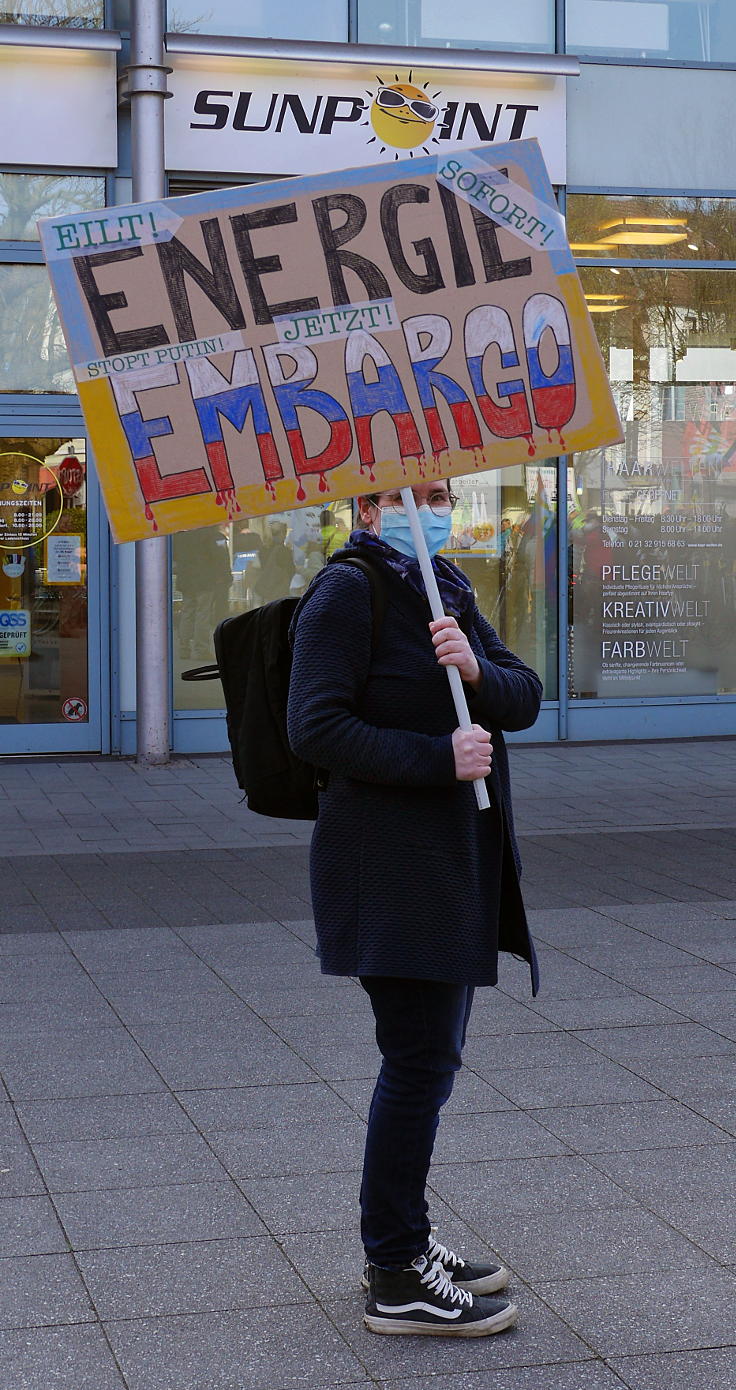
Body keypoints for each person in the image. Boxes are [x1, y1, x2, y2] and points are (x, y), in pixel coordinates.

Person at [287, 478, 542, 1339]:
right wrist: (441, 756)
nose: (432, 504)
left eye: (440, 491)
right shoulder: (348, 591)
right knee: (420, 1063)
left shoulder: (447, 588)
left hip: (447, 869)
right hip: (388, 872)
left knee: (431, 1059)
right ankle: (396, 1272)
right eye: (411, 494)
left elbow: (525, 695)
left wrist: (474, 668)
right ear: (366, 510)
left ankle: (406, 1244)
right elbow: (314, 727)